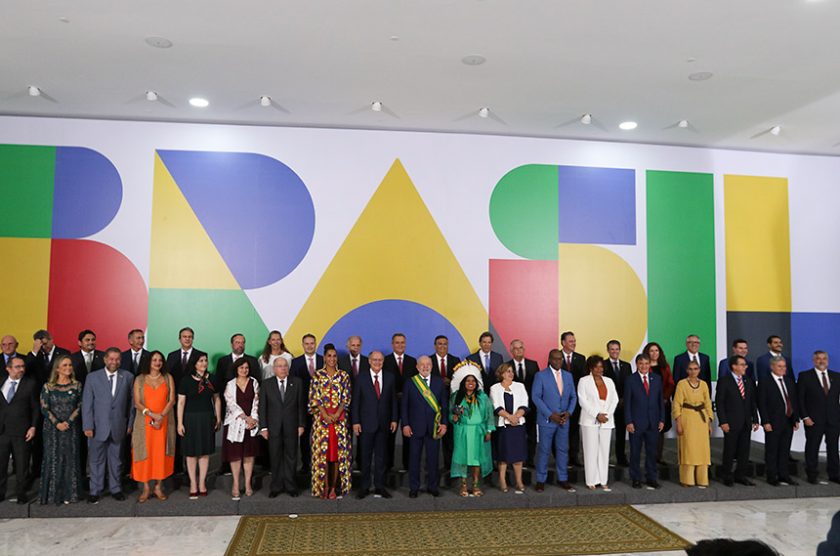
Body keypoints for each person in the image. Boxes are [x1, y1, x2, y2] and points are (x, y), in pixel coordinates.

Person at [82, 347, 135, 503]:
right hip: (97, 427)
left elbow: (131, 404)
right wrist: (87, 425)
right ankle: (95, 490)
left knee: (117, 460)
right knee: (96, 460)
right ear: (105, 360)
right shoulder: (92, 378)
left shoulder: (128, 377)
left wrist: (130, 423)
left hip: (119, 426)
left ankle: (115, 488)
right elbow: (87, 404)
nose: (114, 362)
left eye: (117, 359)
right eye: (111, 359)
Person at [352, 351, 397, 499]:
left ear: (383, 362)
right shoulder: (361, 378)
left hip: (384, 424)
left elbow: (393, 401)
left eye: (380, 360)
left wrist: (394, 419)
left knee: (381, 458)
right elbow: (356, 402)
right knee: (365, 458)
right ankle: (364, 487)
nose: (377, 362)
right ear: (369, 361)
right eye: (374, 360)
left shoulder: (390, 377)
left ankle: (380, 486)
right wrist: (356, 421)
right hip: (365, 425)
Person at [131, 350, 175, 502]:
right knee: (144, 454)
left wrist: (161, 416)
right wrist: (152, 415)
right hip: (144, 423)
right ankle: (146, 488)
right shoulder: (140, 379)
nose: (157, 363)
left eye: (160, 360)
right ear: (148, 362)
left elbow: (172, 400)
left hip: (163, 423)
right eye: (154, 360)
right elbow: (137, 402)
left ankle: (158, 487)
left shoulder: (168, 378)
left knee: (161, 454)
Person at [309, 343, 352, 499]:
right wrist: (325, 415)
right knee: (323, 456)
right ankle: (324, 486)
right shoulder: (317, 376)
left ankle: (334, 487)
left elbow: (346, 398)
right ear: (324, 357)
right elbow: (314, 398)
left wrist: (337, 414)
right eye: (329, 356)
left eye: (334, 356)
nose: (332, 359)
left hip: (339, 423)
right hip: (322, 423)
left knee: (336, 457)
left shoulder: (344, 376)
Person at [39, 354, 83, 505]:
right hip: (52, 429)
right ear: (57, 369)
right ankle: (52, 495)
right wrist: (57, 423)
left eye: (70, 365)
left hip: (71, 429)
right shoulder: (48, 386)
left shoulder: (77, 385)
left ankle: (70, 495)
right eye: (64, 365)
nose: (68, 368)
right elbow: (44, 408)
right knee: (53, 458)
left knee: (70, 459)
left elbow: (80, 406)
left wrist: (69, 421)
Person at [531, 348, 577, 492]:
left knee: (563, 450)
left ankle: (562, 478)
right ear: (550, 359)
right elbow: (536, 397)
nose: (558, 361)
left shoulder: (568, 376)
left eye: (560, 359)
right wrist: (550, 415)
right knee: (544, 450)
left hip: (564, 420)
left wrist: (568, 413)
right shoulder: (540, 375)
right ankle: (540, 480)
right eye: (555, 359)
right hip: (547, 421)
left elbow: (573, 397)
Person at [401, 355, 447, 498]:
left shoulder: (439, 383)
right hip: (415, 427)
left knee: (433, 459)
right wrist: (406, 424)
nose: (425, 367)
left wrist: (444, 423)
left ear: (432, 367)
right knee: (414, 459)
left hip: (434, 427)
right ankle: (414, 487)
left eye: (428, 364)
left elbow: (445, 405)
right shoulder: (410, 383)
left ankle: (433, 486)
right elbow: (404, 406)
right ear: (417, 367)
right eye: (422, 364)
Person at [176, 353, 221, 499]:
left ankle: (202, 483)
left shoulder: (212, 379)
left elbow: (217, 399)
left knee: (204, 452)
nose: (204, 363)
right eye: (200, 361)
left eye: (205, 360)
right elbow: (181, 403)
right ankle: (193, 483)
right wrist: (180, 423)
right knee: (191, 453)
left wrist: (218, 417)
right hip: (190, 419)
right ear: (194, 363)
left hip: (207, 418)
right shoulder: (186, 380)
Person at [259, 357, 305, 497]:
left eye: (285, 366)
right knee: (275, 456)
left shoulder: (297, 383)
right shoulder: (267, 384)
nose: (283, 368)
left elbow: (301, 406)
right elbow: (263, 407)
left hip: (292, 426)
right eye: (279, 366)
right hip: (273, 427)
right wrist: (264, 427)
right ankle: (276, 486)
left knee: (291, 457)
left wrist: (301, 424)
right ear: (274, 368)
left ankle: (291, 486)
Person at [715, 355, 759, 486]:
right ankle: (727, 475)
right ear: (734, 366)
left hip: (746, 422)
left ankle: (741, 475)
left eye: (745, 365)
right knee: (730, 450)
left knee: (744, 451)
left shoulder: (748, 380)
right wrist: (723, 421)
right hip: (731, 422)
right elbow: (720, 402)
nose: (745, 367)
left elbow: (752, 402)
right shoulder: (724, 381)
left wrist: (755, 419)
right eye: (742, 364)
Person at [797, 350, 840, 484]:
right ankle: (812, 475)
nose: (821, 361)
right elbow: (800, 399)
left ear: (827, 360)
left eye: (824, 359)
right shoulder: (805, 376)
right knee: (812, 447)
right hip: (813, 420)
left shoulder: (836, 376)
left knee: (833, 448)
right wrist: (805, 417)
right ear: (814, 361)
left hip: (833, 420)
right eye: (818, 359)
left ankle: (834, 474)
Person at [450, 371, 495, 497]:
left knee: (477, 458)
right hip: (462, 431)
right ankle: (463, 485)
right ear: (463, 383)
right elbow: (450, 414)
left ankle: (476, 485)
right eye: (468, 381)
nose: (471, 383)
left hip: (478, 431)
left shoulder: (483, 397)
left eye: (473, 381)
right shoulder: (456, 396)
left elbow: (489, 414)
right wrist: (453, 417)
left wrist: (489, 430)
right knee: (462, 457)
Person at [0, 356, 38, 504]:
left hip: (22, 431)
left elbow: (35, 408)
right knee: (1, 464)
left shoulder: (30, 384)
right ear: (8, 368)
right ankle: (1, 493)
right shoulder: (1, 381)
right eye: (17, 367)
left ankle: (21, 493)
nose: (21, 369)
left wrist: (33, 427)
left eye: (22, 366)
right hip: (2, 432)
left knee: (22, 465)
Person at [222, 358, 261, 500]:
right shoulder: (230, 385)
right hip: (235, 423)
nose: (244, 370)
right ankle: (236, 484)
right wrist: (245, 417)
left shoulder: (254, 382)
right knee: (235, 455)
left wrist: (253, 418)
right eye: (241, 368)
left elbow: (257, 402)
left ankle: (248, 484)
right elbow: (231, 404)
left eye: (246, 368)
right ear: (236, 369)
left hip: (251, 424)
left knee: (249, 455)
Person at [577, 355, 618, 491]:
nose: (599, 369)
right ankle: (591, 480)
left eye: (601, 366)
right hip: (590, 420)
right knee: (591, 450)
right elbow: (583, 401)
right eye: (596, 367)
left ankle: (603, 480)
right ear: (590, 368)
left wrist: (607, 415)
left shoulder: (609, 381)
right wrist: (596, 415)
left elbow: (615, 400)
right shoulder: (584, 381)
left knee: (604, 450)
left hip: (606, 420)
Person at [758, 356, 800, 486]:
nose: (783, 369)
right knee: (772, 450)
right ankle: (772, 476)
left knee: (784, 450)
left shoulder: (789, 381)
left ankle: (784, 475)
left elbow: (793, 401)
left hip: (788, 421)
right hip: (773, 422)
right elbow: (762, 403)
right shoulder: (765, 382)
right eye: (779, 366)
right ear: (772, 367)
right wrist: (765, 421)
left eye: (784, 366)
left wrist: (796, 419)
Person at [625, 354, 664, 489]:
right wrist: (628, 421)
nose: (644, 366)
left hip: (653, 422)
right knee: (635, 452)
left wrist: (661, 419)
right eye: (641, 363)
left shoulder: (657, 379)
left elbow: (661, 401)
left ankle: (651, 478)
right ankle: (636, 478)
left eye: (646, 363)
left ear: (650, 364)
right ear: (637, 364)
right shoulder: (631, 380)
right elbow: (627, 403)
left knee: (652, 452)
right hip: (636, 423)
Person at [672, 360, 713, 488]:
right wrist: (678, 422)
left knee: (702, 450)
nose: (693, 371)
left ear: (699, 370)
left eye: (695, 368)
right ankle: (687, 479)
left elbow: (708, 403)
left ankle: (702, 479)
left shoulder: (704, 385)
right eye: (690, 369)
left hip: (701, 420)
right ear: (686, 370)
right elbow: (677, 404)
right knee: (688, 449)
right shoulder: (682, 384)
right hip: (687, 418)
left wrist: (709, 422)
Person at [490, 362, 528, 493]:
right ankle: (502, 480)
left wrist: (516, 417)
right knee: (503, 455)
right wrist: (509, 417)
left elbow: (524, 404)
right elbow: (496, 406)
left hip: (518, 426)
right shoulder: (495, 388)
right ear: (501, 374)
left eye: (512, 371)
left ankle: (519, 481)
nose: (511, 374)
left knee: (518, 455)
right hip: (503, 426)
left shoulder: (520, 386)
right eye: (507, 371)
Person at [289, 333, 322, 475]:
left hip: (321, 408)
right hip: (302, 406)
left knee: (321, 436)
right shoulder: (295, 362)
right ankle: (306, 464)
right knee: (304, 437)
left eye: (312, 343)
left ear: (316, 344)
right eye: (307, 343)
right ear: (303, 345)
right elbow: (292, 385)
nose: (309, 346)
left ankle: (319, 463)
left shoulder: (323, 360)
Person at [382, 332, 416, 471]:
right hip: (391, 404)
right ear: (392, 344)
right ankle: (388, 465)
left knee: (408, 434)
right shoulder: (385, 361)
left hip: (408, 405)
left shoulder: (412, 361)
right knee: (389, 436)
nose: (400, 345)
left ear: (406, 344)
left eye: (402, 342)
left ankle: (407, 465)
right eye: (397, 342)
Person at [506, 339, 539, 467]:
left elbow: (538, 386)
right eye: (515, 348)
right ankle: (514, 459)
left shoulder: (533, 364)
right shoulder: (507, 366)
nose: (518, 350)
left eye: (521, 348)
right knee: (515, 435)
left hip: (531, 406)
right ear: (511, 351)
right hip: (513, 408)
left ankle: (530, 460)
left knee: (531, 434)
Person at [430, 335, 459, 468]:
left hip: (450, 404)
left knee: (449, 438)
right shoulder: (428, 361)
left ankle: (449, 465)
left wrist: (450, 382)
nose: (442, 346)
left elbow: (460, 382)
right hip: (432, 404)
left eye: (445, 344)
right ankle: (432, 465)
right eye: (440, 344)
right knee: (432, 437)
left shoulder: (456, 360)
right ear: (435, 346)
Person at [644, 342, 675, 464]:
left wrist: (665, 397)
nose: (654, 353)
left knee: (660, 431)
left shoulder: (664, 366)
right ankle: (650, 456)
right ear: (647, 352)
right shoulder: (644, 366)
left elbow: (670, 383)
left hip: (663, 403)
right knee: (649, 430)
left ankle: (658, 457)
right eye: (651, 351)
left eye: (656, 350)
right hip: (648, 403)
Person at [559, 332, 586, 468]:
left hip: (576, 401)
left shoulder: (581, 359)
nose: (573, 343)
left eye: (574, 341)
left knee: (575, 430)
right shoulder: (556, 357)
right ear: (563, 343)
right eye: (570, 341)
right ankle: (561, 457)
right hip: (560, 401)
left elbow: (584, 381)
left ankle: (574, 457)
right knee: (561, 429)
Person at [606, 340, 632, 467]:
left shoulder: (626, 366)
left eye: (617, 349)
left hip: (622, 405)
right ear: (608, 350)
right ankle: (604, 458)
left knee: (621, 434)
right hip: (607, 405)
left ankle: (621, 458)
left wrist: (624, 399)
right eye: (612, 349)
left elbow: (629, 385)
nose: (615, 351)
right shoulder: (603, 365)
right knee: (605, 433)